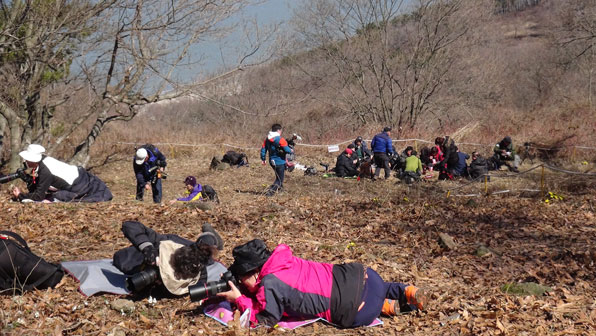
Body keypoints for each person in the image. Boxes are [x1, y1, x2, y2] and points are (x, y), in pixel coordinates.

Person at [217, 239, 428, 328]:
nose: (241, 282)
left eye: (241, 277)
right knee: (372, 287)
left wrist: (240, 299)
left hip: (358, 311)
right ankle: (406, 291)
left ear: (254, 273)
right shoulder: (283, 258)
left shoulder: (269, 284)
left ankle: (384, 308)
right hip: (366, 275)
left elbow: (265, 320)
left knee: (348, 302)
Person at [112, 221, 226, 296]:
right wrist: (147, 248)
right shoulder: (164, 243)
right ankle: (212, 239)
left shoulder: (199, 266)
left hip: (192, 251)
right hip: (170, 246)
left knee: (208, 255)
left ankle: (211, 238)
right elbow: (129, 225)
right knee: (208, 253)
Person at [12, 144, 112, 202]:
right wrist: (28, 180)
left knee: (54, 197)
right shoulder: (44, 160)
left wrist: (20, 195)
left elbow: (39, 196)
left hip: (81, 185)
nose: (25, 161)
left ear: (33, 160)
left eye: (27, 159)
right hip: (81, 175)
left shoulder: (45, 171)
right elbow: (42, 184)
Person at [260, 124, 293, 196]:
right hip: (279, 162)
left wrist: (263, 158)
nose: (281, 132)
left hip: (272, 161)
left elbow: (263, 149)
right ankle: (270, 192)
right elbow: (287, 150)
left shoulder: (267, 139)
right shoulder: (280, 139)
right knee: (280, 180)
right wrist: (291, 150)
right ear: (278, 130)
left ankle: (281, 190)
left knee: (278, 176)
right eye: (281, 130)